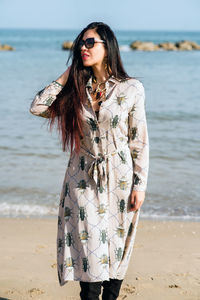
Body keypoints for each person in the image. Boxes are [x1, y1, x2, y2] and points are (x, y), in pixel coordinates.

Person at [29, 21, 149, 300]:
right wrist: (68, 74)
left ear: (108, 48)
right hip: (81, 179)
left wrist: (139, 185)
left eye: (90, 43)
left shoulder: (131, 89)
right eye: (81, 43)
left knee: (118, 246)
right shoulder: (75, 91)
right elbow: (37, 107)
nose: (83, 47)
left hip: (120, 177)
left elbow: (139, 140)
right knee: (89, 250)